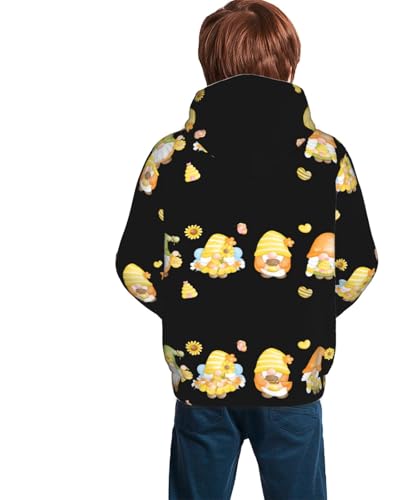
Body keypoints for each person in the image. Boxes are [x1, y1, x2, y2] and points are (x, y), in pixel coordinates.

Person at [115, 1, 379, 498]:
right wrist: (306, 311)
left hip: (202, 386)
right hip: (294, 378)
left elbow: (134, 266)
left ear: (209, 64)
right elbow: (359, 265)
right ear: (289, 63)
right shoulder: (324, 156)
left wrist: (189, 311)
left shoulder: (170, 156)